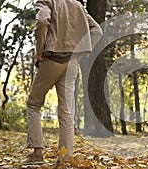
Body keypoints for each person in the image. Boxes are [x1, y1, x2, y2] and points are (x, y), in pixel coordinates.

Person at [21, 0, 102, 165]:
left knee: (34, 105)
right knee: (66, 112)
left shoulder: (46, 1)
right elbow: (97, 31)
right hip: (71, 62)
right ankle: (64, 159)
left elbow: (42, 20)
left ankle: (37, 153)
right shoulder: (77, 5)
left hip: (51, 59)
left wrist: (39, 52)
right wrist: (81, 53)